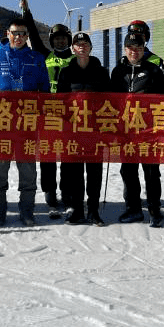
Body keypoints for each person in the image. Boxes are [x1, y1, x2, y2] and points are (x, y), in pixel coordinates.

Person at [0, 16, 50, 227]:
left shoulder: (37, 58)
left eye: (22, 34)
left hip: (27, 124)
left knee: (28, 171)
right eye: (14, 33)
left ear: (27, 36)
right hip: (2, 124)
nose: (18, 37)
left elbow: (44, 91)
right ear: (7, 34)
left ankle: (27, 211)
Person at [110, 32, 164, 226]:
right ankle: (133, 208)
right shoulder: (118, 71)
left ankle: (155, 209)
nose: (134, 52)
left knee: (151, 171)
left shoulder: (153, 70)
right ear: (125, 49)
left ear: (143, 49)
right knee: (128, 171)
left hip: (148, 131)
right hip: (126, 131)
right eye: (130, 48)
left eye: (138, 48)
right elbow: (111, 101)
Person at [22, 0, 74, 214]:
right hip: (46, 115)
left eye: (63, 39)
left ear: (68, 40)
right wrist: (26, 12)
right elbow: (33, 35)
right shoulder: (45, 56)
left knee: (69, 158)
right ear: (52, 41)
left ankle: (68, 192)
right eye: (57, 39)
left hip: (69, 116)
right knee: (48, 157)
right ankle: (50, 194)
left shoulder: (75, 59)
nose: (60, 42)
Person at [56, 31, 110, 225]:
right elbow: (60, 102)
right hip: (74, 130)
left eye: (85, 43)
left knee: (94, 172)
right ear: (73, 48)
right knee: (75, 173)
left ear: (90, 47)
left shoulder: (101, 71)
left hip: (95, 131)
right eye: (78, 44)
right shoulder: (66, 72)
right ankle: (78, 210)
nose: (82, 46)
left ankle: (93, 211)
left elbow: (110, 102)